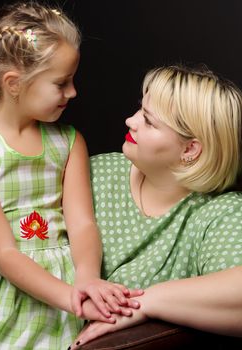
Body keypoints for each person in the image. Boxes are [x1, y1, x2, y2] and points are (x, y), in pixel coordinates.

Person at [0, 2, 142, 349]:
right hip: (0, 287)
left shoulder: (69, 143)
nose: (72, 93)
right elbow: (4, 253)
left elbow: (82, 224)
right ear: (14, 83)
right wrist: (70, 297)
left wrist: (87, 279)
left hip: (66, 282)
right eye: (61, 83)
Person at [70, 65, 242, 348]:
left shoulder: (218, 214)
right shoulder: (93, 172)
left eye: (149, 122)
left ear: (190, 150)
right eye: (140, 109)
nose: (130, 120)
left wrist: (146, 302)